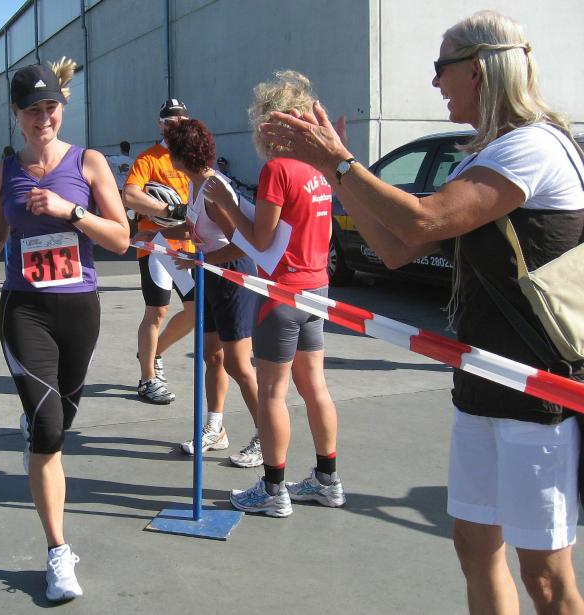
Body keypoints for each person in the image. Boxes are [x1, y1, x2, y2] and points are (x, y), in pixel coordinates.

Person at [261, 11, 584, 613]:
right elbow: (395, 248)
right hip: (483, 382)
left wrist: (340, 163)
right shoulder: (486, 154)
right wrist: (334, 168)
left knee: (545, 575)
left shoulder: (533, 147)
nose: (436, 82)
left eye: (442, 67)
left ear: (479, 69)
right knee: (475, 549)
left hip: (538, 394)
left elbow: (425, 220)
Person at [0, 59, 129, 603]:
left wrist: (69, 210)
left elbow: (121, 239)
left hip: (79, 310)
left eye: (50, 107)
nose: (42, 117)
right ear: (16, 114)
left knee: (59, 423)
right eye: (32, 110)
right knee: (49, 431)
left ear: (61, 108)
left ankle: (34, 427)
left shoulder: (89, 162)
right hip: (24, 308)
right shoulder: (2, 172)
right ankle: (58, 552)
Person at [208, 71, 345, 517]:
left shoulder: (278, 170)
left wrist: (227, 205)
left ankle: (273, 488)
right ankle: (327, 479)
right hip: (316, 288)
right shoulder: (319, 170)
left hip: (281, 293)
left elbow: (261, 241)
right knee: (315, 386)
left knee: (272, 392)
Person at [160, 118, 263, 466]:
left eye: (170, 148)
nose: (167, 154)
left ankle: (266, 435)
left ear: (181, 155)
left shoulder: (213, 190)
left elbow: (243, 244)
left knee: (238, 364)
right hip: (210, 272)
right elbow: (196, 228)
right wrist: (156, 234)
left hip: (232, 274)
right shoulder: (195, 184)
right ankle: (216, 429)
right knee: (212, 356)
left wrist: (198, 260)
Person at [123, 99, 195, 404]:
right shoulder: (149, 158)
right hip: (156, 247)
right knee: (157, 311)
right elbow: (129, 195)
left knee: (197, 311)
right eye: (169, 121)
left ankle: (153, 353)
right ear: (161, 124)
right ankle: (147, 379)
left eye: (181, 121)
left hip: (188, 247)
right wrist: (168, 210)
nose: (175, 126)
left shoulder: (192, 156)